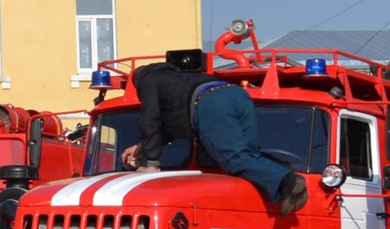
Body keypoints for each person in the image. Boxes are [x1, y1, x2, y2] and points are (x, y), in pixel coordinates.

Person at [118, 56, 307, 214]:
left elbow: (150, 120)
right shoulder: (176, 79)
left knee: (235, 159)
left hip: (210, 103)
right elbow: (171, 125)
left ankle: (288, 180)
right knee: (249, 155)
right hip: (236, 94)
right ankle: (286, 184)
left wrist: (151, 164)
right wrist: (142, 147)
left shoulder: (147, 81)